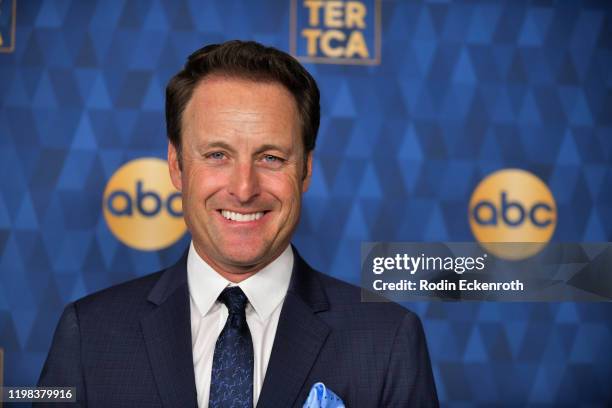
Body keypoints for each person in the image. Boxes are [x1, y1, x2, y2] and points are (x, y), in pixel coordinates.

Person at [38, 40, 438, 407]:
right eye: (217, 155)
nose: (244, 189)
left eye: (271, 158)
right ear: (177, 166)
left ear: (306, 170)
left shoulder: (387, 341)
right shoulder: (89, 334)